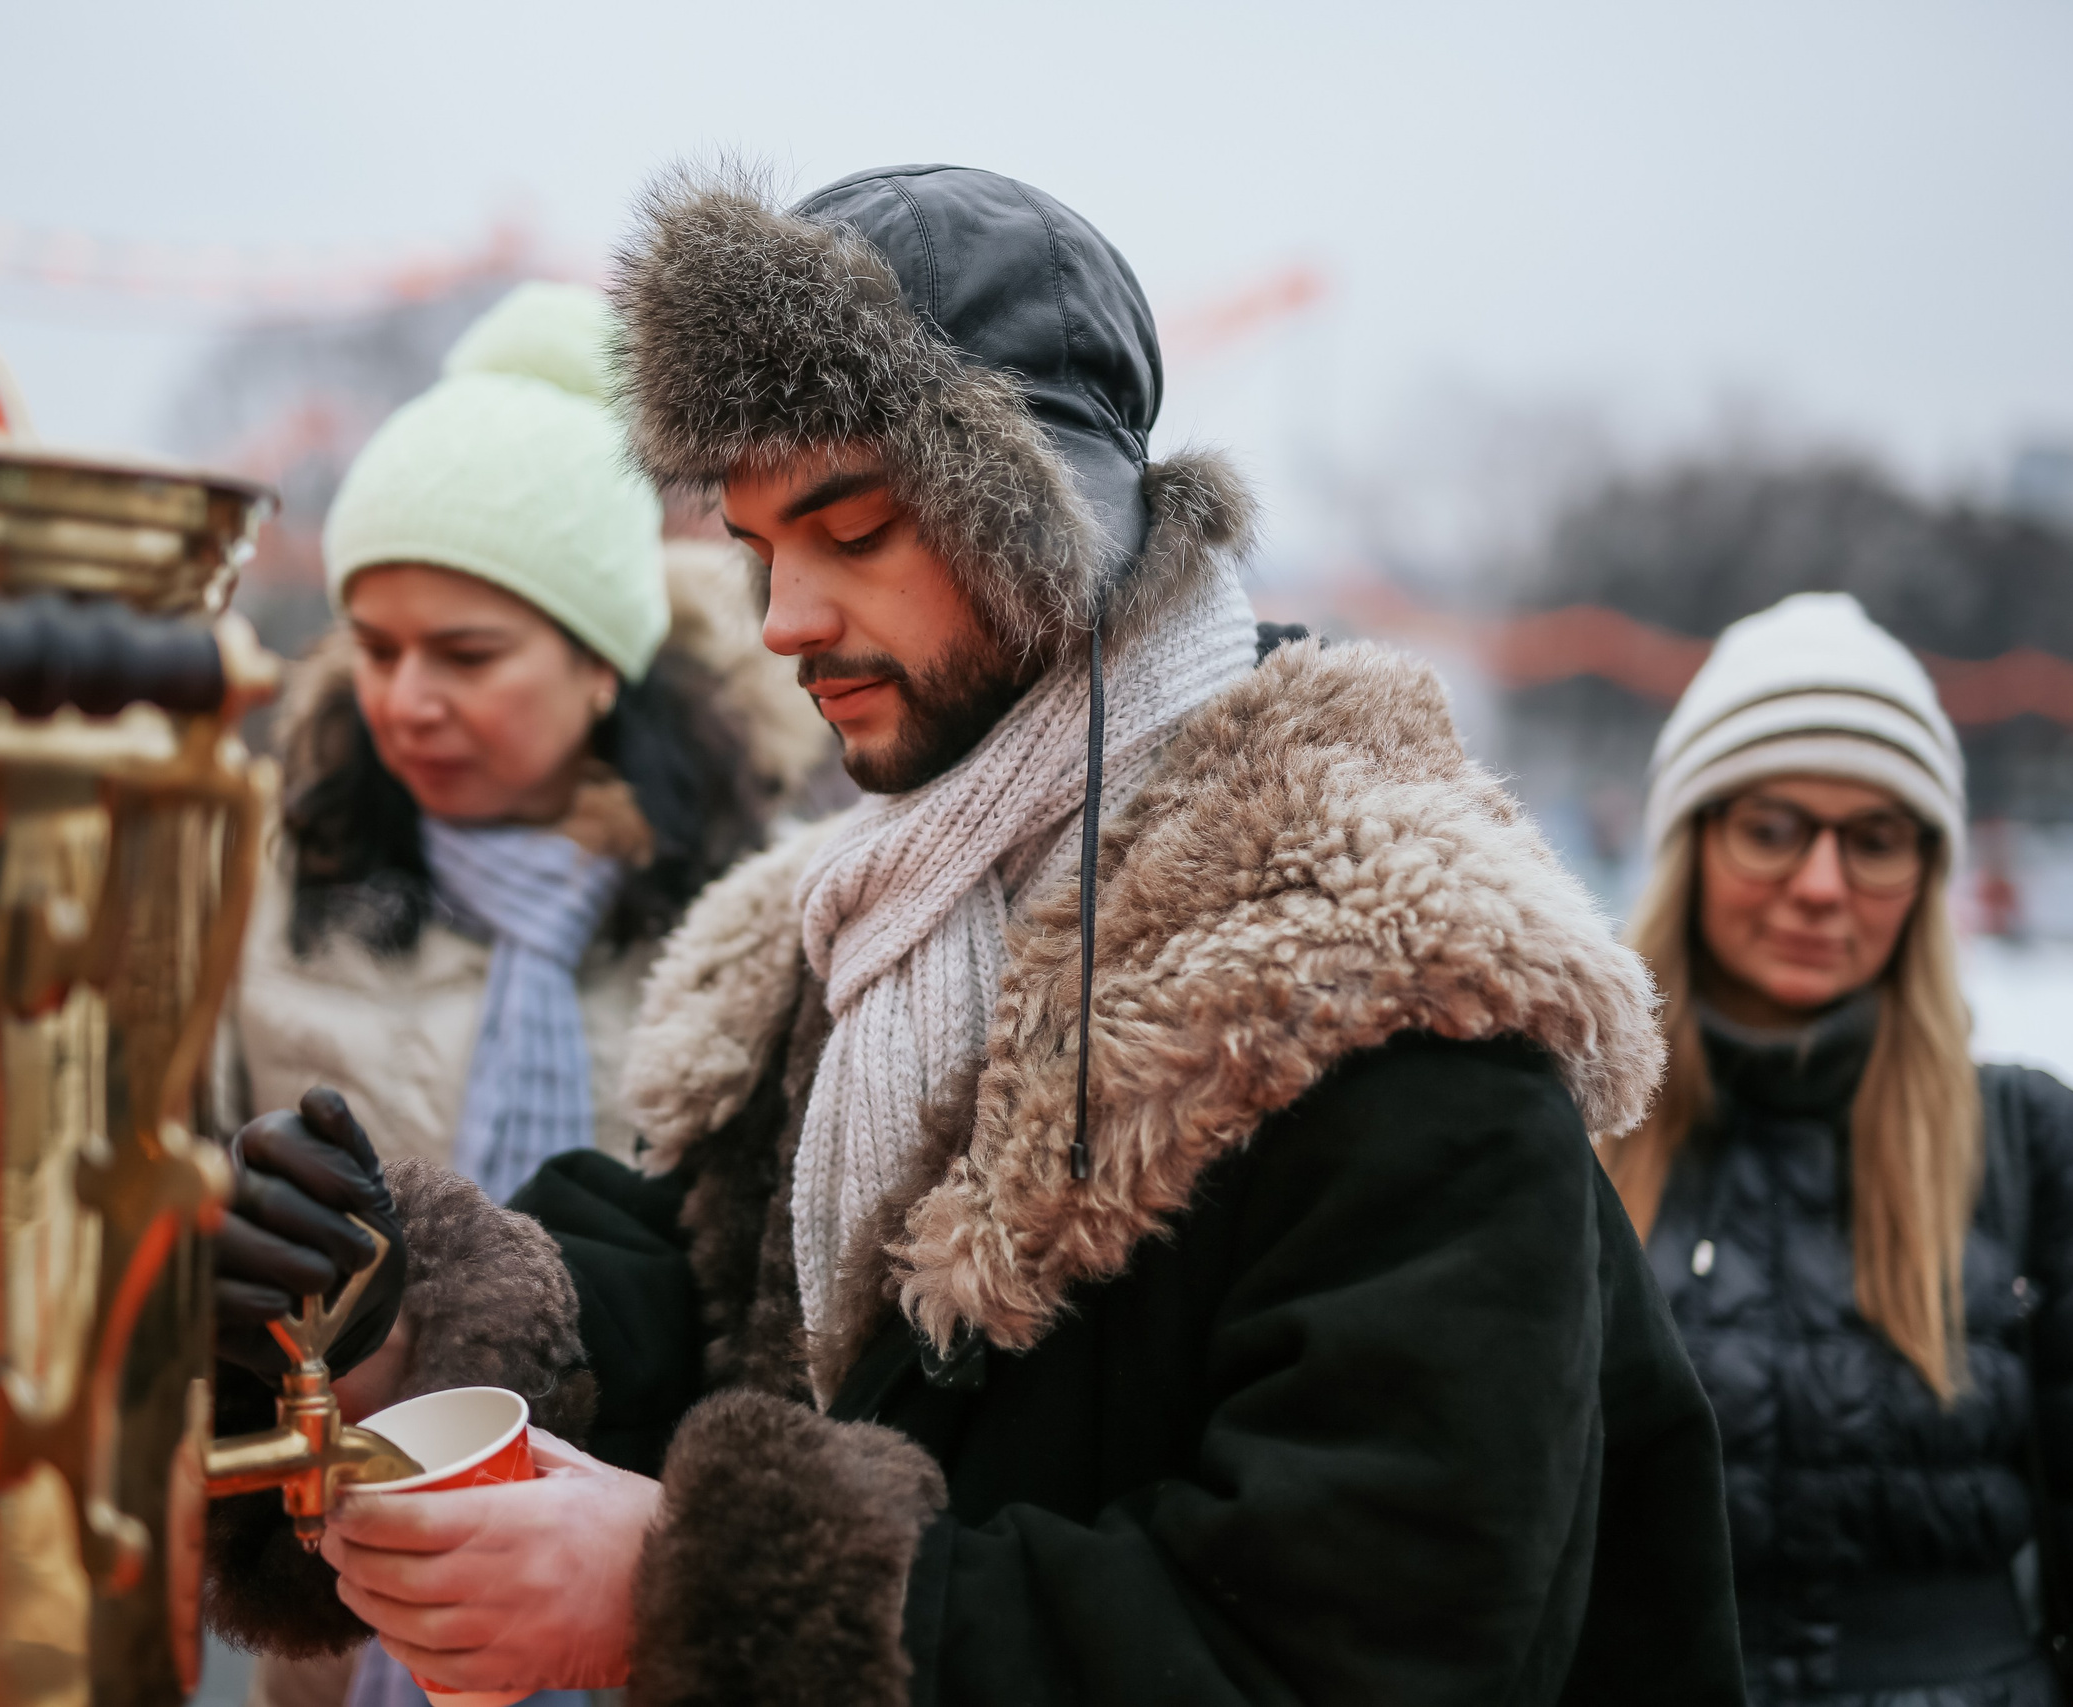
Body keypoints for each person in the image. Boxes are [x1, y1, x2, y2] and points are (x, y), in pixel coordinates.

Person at [210, 165, 1745, 1704]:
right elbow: (693, 1297)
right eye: (755, 546)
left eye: (852, 529)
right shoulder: (850, 926)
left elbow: (1351, 1645)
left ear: (1049, 522)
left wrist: (689, 1591)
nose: (782, 618)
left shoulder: (1395, 996)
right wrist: (397, 1323)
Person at [204, 281, 822, 1707]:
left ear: (603, 662)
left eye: (467, 652)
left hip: (624, 1624)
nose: (404, 697)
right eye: (373, 644)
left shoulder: (767, 922)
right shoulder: (260, 884)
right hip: (334, 1631)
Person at [1600, 592, 2073, 1706]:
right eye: (1771, 827)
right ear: (1691, 840)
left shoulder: (2031, 1150)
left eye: (1874, 839)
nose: (1821, 886)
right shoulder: (1565, 1142)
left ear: (1925, 874)